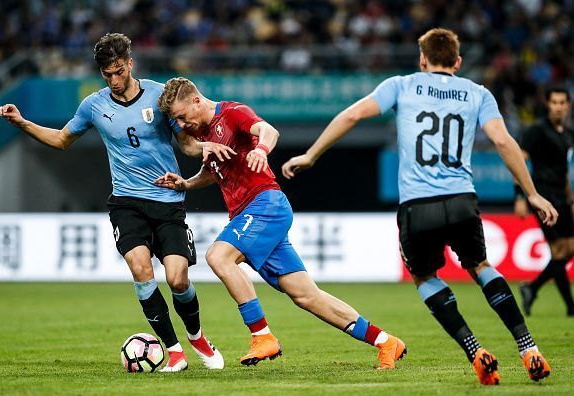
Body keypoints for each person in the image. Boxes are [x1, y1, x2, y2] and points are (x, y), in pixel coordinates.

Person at [281, 28, 557, 385]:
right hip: (462, 200)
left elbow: (351, 116)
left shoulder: (402, 85)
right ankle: (528, 347)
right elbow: (504, 141)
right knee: (480, 265)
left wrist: (311, 154)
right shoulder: (478, 93)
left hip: (417, 205)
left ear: (422, 59)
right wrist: (531, 192)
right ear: (457, 61)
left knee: (425, 275)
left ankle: (475, 351)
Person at [0, 33, 229, 372]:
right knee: (140, 268)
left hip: (168, 201)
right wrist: (22, 122)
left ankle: (197, 337)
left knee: (178, 279)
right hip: (126, 202)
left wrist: (204, 148)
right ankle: (174, 350)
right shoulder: (93, 105)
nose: (114, 80)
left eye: (119, 71)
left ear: (130, 64)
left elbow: (187, 144)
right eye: (107, 74)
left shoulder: (158, 95)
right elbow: (62, 140)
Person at [154, 77, 407, 369]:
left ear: (196, 101)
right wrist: (185, 184)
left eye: (182, 117)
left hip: (264, 204)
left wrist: (261, 149)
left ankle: (262, 336)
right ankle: (386, 341)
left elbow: (268, 130)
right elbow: (212, 173)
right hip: (250, 214)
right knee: (306, 296)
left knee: (218, 256)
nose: (182, 125)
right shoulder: (208, 135)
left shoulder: (233, 113)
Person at [516, 88, 574, 317]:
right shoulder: (537, 130)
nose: (558, 106)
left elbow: (563, 169)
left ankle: (533, 289)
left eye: (562, 102)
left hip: (562, 196)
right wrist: (520, 196)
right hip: (543, 197)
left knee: (564, 251)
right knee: (561, 249)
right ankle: (565, 303)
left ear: (568, 105)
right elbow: (519, 162)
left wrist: (570, 199)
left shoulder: (568, 134)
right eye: (554, 102)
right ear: (548, 104)